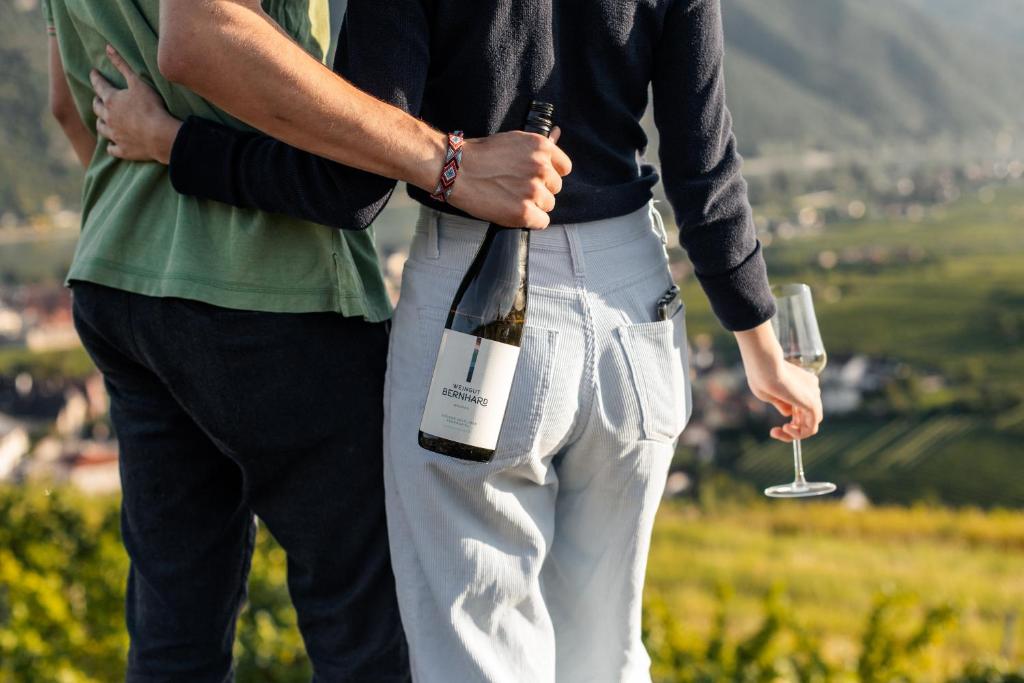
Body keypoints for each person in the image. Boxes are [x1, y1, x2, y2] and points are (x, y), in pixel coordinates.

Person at [94, 0, 824, 680]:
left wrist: (176, 144)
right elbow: (706, 167)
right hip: (636, 310)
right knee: (607, 648)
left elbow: (348, 186)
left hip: (476, 301)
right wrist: (762, 349)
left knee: (476, 647)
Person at [43, 0, 569, 680]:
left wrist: (149, 207)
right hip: (274, 288)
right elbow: (200, 35)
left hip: (122, 277)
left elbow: (66, 100)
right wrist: (450, 164)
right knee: (368, 630)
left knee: (174, 631)